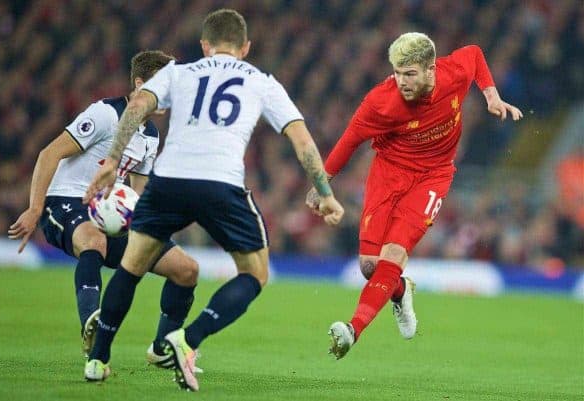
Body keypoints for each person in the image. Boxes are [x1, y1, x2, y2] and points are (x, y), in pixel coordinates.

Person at [82, 8, 344, 391]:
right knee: (255, 274)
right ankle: (188, 338)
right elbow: (302, 141)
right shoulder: (261, 81)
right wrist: (326, 194)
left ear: (205, 45)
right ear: (246, 47)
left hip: (169, 180)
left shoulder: (180, 71)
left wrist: (112, 161)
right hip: (220, 183)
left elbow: (138, 104)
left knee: (131, 267)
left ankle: (97, 359)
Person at [306, 32, 523, 359]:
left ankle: (353, 330)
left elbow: (475, 54)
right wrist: (322, 186)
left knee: (393, 254)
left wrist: (491, 95)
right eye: (397, 73)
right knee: (369, 266)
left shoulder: (452, 74)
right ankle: (401, 290)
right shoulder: (380, 102)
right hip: (388, 172)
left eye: (410, 74)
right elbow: (349, 140)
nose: (402, 81)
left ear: (431, 70)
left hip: (433, 177)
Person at [8, 51, 200, 368]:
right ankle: (92, 330)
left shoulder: (151, 136)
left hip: (108, 215)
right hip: (65, 201)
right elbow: (49, 153)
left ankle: (163, 348)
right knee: (94, 241)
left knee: (186, 269)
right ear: (140, 84)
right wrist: (34, 209)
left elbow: (138, 196)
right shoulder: (106, 114)